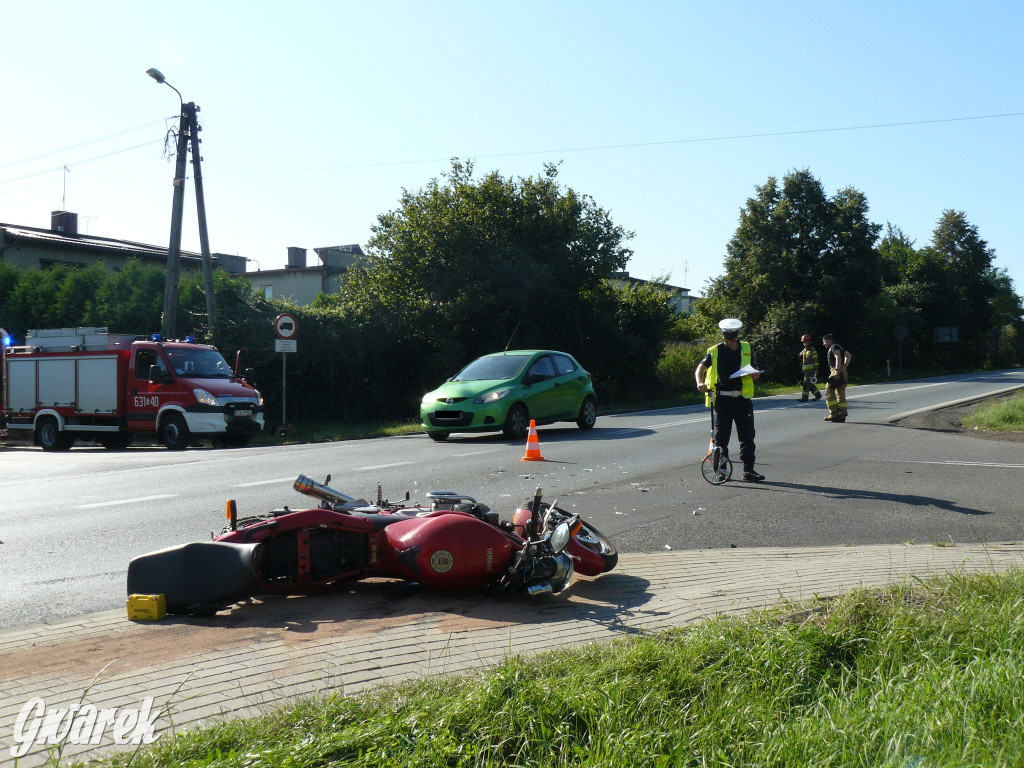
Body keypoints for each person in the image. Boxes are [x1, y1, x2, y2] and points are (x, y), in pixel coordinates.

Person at [695, 318, 764, 482]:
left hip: (742, 399)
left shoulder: (746, 348)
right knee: (721, 438)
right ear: (723, 336)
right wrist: (700, 382)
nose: (730, 342)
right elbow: (700, 368)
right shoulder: (715, 351)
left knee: (747, 436)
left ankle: (749, 471)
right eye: (727, 339)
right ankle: (721, 471)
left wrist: (755, 374)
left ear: (737, 336)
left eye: (732, 339)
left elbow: (755, 370)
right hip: (722, 400)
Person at [822, 333, 852, 422]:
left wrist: (837, 370)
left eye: (824, 342)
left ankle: (834, 413)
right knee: (840, 392)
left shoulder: (834, 347)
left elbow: (838, 357)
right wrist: (844, 366)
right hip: (842, 371)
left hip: (836, 370)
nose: (824, 344)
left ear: (829, 340)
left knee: (828, 390)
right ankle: (842, 414)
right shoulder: (839, 346)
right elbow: (848, 356)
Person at [797, 334, 821, 402]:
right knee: (809, 384)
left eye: (806, 342)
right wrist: (800, 354)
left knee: (805, 383)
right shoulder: (804, 350)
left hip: (811, 371)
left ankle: (804, 398)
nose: (804, 343)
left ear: (809, 342)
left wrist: (816, 369)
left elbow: (816, 360)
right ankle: (818, 395)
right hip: (806, 371)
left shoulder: (812, 350)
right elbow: (801, 354)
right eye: (803, 342)